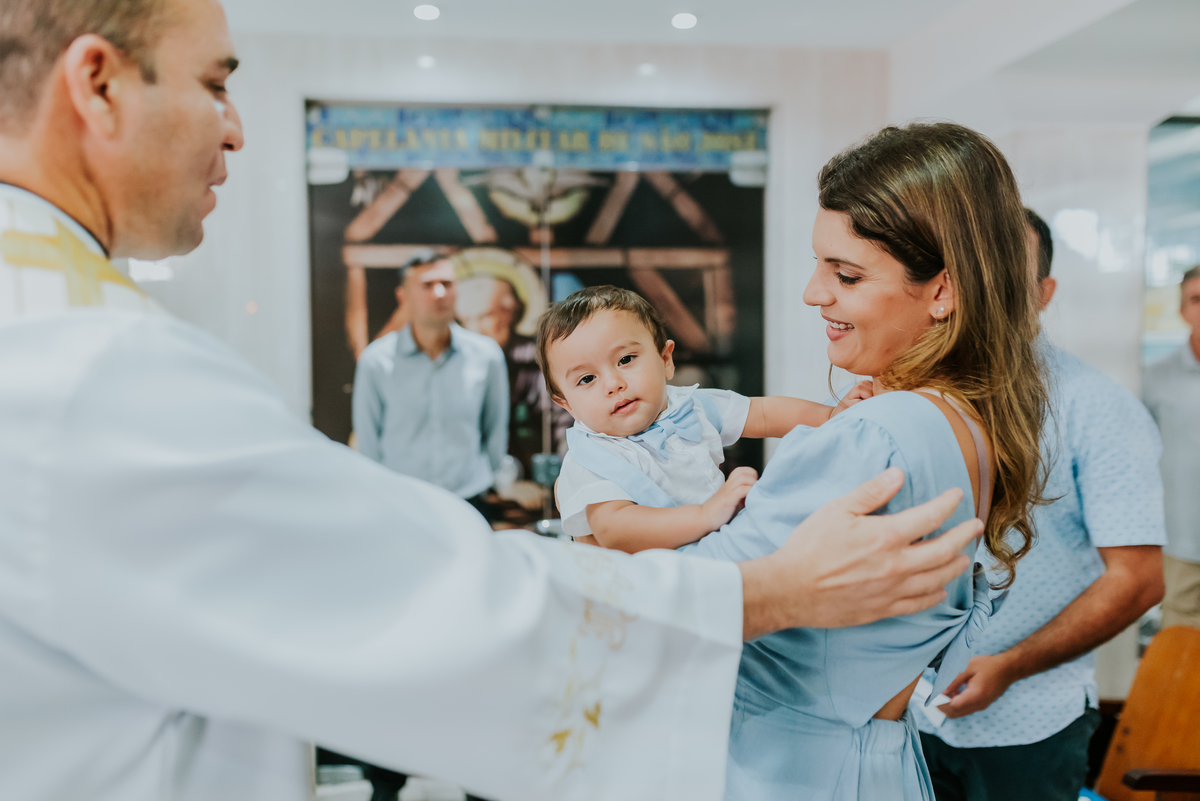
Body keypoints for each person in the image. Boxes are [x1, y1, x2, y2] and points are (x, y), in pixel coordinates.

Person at [0, 2, 986, 800]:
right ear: (97, 83)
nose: (236, 125)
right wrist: (769, 589)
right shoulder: (86, 367)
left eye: (845, 275)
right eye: (216, 83)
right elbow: (410, 603)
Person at [683, 122, 1048, 800]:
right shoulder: (962, 423)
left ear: (943, 290)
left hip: (788, 768)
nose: (813, 292)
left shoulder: (871, 435)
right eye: (821, 264)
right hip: (878, 763)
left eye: (845, 273)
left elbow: (693, 602)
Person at [915, 209, 1167, 801]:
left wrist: (1013, 665)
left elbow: (1138, 580)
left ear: (1043, 293)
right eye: (972, 269)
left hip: (1029, 723)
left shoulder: (1095, 407)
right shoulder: (910, 396)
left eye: (1007, 272)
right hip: (906, 716)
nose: (986, 288)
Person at [536, 284, 870, 552]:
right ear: (565, 404)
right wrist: (705, 514)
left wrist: (830, 415)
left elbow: (764, 413)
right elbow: (614, 530)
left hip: (707, 556)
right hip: (638, 590)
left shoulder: (689, 406)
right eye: (586, 379)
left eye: (625, 359)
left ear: (666, 359)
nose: (613, 384)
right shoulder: (590, 461)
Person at [353, 251, 509, 519]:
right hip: (400, 504)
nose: (439, 293)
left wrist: (488, 476)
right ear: (403, 296)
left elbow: (495, 430)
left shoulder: (487, 356)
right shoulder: (376, 362)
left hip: (469, 501)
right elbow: (367, 442)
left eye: (447, 284)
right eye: (427, 285)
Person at [1144, 264, 1200, 629]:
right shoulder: (1154, 380)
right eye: (1197, 299)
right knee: (1179, 655)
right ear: (1183, 311)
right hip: (1183, 545)